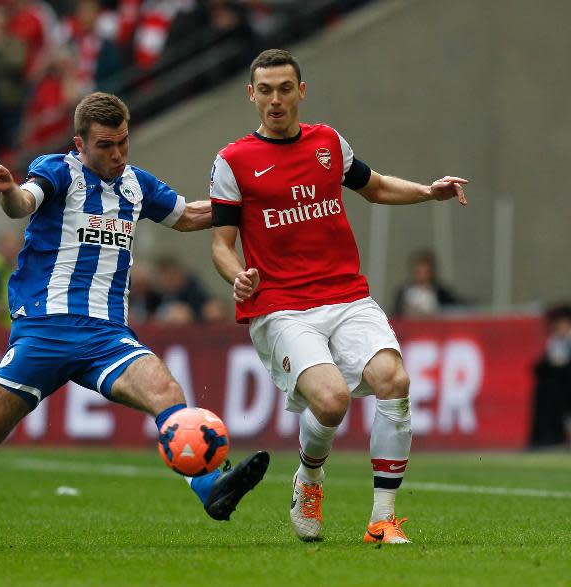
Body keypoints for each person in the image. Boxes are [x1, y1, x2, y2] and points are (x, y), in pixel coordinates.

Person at [0, 91, 268, 548]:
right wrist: (9, 190)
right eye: (106, 145)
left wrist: (254, 201)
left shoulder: (136, 184)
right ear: (79, 144)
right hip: (45, 331)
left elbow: (188, 216)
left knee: (167, 393)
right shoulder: (57, 170)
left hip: (108, 336)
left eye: (123, 143)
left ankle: (212, 489)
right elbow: (23, 203)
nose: (117, 154)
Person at [210, 49, 468, 544]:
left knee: (394, 380)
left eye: (285, 88)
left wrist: (428, 192)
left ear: (301, 91)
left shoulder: (327, 142)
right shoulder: (233, 161)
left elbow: (374, 187)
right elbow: (221, 244)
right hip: (281, 305)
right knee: (330, 403)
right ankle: (309, 477)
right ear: (251, 95)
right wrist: (236, 275)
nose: (276, 100)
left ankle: (382, 520)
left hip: (346, 295)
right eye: (265, 90)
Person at [530, 304, 571, 448]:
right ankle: (548, 437)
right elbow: (544, 364)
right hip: (559, 386)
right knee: (546, 388)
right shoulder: (555, 342)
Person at [393, 249, 461, 317]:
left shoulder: (442, 294)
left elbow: (455, 310)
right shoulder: (403, 293)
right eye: (419, 272)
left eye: (425, 272)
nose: (422, 276)